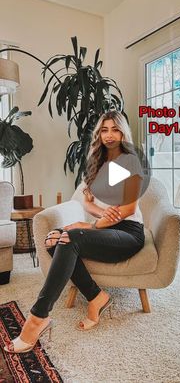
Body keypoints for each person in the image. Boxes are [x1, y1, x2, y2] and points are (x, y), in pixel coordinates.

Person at [4, 110, 145, 354]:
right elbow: (88, 202)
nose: (109, 135)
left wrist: (88, 226)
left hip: (129, 233)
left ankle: (38, 318)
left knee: (70, 236)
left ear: (123, 133)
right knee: (53, 239)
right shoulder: (97, 164)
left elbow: (127, 209)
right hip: (106, 228)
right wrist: (97, 214)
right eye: (104, 129)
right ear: (98, 134)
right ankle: (97, 297)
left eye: (115, 129)